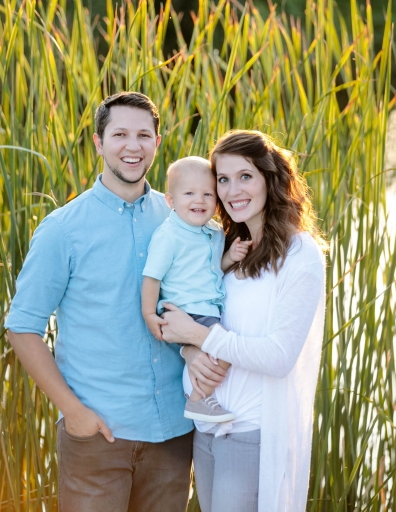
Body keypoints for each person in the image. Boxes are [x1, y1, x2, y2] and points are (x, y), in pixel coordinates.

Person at [4, 92, 194, 512]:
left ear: (157, 144)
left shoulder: (180, 220)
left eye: (144, 135)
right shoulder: (63, 229)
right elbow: (22, 326)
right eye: (120, 134)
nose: (133, 146)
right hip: (98, 438)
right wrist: (73, 412)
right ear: (98, 142)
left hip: (174, 438)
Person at [160, 130, 327, 512]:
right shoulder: (225, 251)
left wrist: (200, 334)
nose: (233, 189)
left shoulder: (300, 255)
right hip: (205, 429)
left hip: (250, 433)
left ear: (271, 179)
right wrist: (189, 349)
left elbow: (278, 356)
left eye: (245, 176)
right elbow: (193, 320)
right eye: (223, 179)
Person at [141, 156, 251, 423]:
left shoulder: (214, 233)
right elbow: (152, 277)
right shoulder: (169, 235)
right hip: (185, 311)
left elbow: (213, 268)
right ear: (171, 201)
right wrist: (149, 314)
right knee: (226, 350)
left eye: (207, 194)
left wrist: (231, 257)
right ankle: (198, 400)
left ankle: (203, 396)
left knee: (215, 354)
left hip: (206, 311)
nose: (199, 200)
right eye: (189, 193)